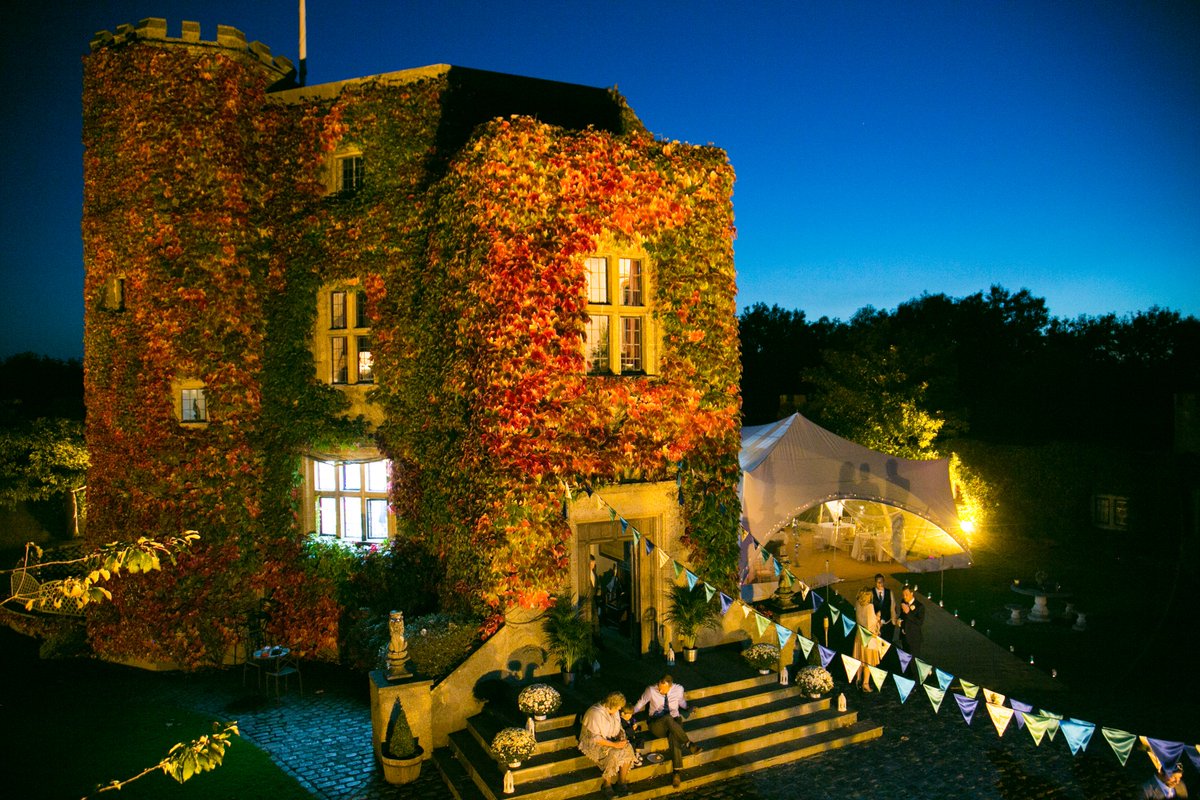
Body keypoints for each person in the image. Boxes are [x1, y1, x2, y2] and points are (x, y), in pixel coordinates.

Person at [632, 674, 702, 788]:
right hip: (656, 723)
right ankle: (688, 743)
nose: (660, 690)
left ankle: (676, 773)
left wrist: (688, 708)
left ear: (670, 686)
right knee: (668, 719)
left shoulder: (678, 689)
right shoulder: (651, 690)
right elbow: (641, 703)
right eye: (659, 687)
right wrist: (629, 713)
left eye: (663, 689)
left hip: (674, 721)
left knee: (674, 735)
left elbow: (682, 702)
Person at [578, 691, 637, 798]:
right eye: (619, 707)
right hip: (593, 741)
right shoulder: (595, 713)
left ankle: (621, 783)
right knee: (613, 753)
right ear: (613, 704)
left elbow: (618, 727)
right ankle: (607, 785)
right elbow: (595, 738)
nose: (620, 709)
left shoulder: (614, 711)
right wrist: (614, 745)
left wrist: (620, 736)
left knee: (627, 748)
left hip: (610, 738)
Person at [852, 587, 882, 691]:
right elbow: (871, 625)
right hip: (868, 637)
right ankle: (865, 683)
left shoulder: (857, 604)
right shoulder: (870, 606)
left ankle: (858, 679)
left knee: (859, 659)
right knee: (868, 661)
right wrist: (878, 620)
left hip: (859, 635)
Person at [897, 585, 925, 657]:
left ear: (912, 593)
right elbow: (902, 615)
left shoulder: (920, 606)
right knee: (904, 660)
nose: (905, 597)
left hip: (914, 639)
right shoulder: (903, 602)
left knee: (913, 661)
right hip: (904, 638)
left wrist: (908, 612)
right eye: (903, 595)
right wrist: (899, 620)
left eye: (906, 594)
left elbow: (919, 622)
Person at [870, 573, 896, 643]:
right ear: (875, 582)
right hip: (876, 624)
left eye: (881, 581)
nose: (880, 583)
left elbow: (892, 607)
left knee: (887, 643)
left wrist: (893, 621)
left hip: (887, 623)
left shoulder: (889, 592)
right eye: (878, 582)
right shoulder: (871, 592)